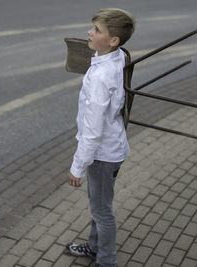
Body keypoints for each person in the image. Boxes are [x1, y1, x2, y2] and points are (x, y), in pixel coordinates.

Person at [65, 8, 135, 267]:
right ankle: (95, 247)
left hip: (102, 155)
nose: (89, 32)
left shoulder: (100, 78)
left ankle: (106, 261)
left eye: (97, 30)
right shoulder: (116, 56)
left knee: (102, 212)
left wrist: (77, 167)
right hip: (112, 149)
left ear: (113, 40)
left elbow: (92, 132)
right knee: (99, 204)